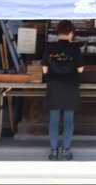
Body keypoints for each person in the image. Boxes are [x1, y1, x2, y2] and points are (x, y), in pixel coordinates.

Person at [41, 19, 84, 161]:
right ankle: (66, 151)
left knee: (54, 119)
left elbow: (45, 70)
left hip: (54, 85)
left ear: (58, 32)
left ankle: (53, 152)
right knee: (68, 120)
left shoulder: (49, 48)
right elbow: (80, 69)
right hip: (70, 86)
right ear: (71, 33)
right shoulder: (75, 49)